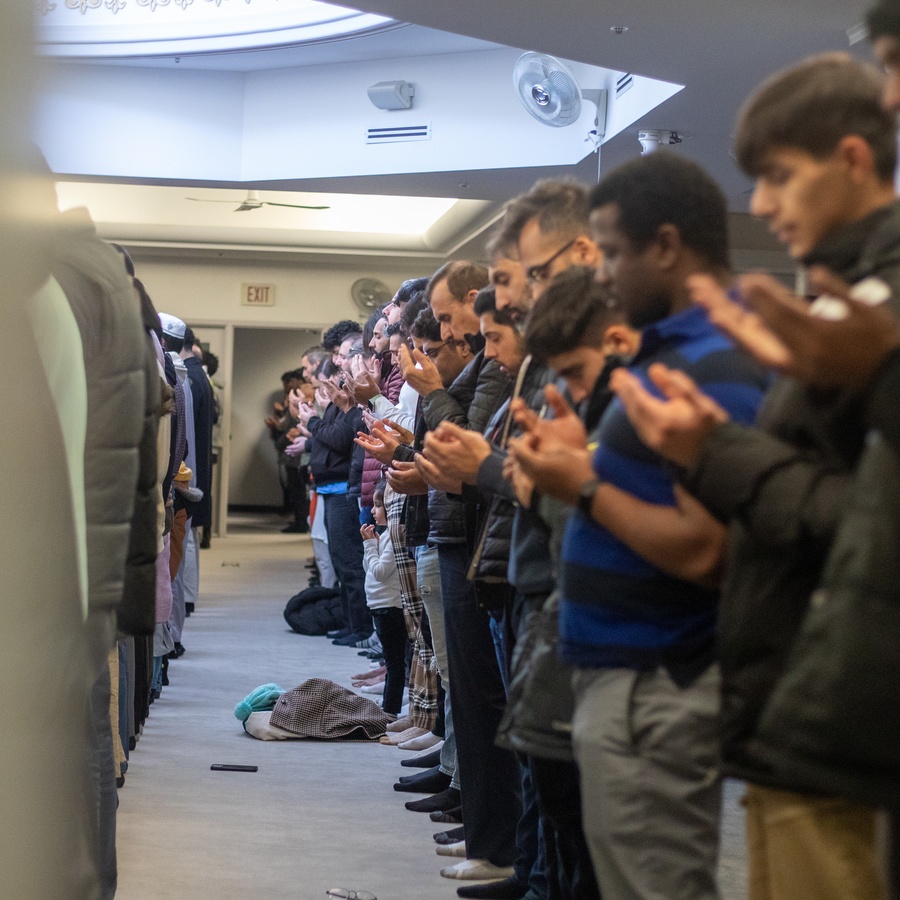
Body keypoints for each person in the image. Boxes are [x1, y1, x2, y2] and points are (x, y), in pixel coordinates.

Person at [609, 53, 898, 900]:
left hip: (842, 713)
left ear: (851, 160)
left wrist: (712, 453)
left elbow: (863, 517)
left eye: (777, 177)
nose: (762, 206)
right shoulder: (850, 297)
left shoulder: (877, 305)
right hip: (800, 705)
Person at [509, 152, 768, 900]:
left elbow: (704, 547)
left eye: (615, 254)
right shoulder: (674, 353)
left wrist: (582, 483)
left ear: (666, 246)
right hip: (627, 677)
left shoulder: (717, 361)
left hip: (659, 678)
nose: (605, 275)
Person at [360, 480, 407, 718]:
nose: (372, 510)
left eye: (378, 505)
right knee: (393, 660)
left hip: (390, 607)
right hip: (381, 606)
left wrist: (370, 546)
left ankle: (390, 710)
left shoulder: (392, 536)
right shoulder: (386, 535)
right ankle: (390, 706)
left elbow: (379, 572)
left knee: (394, 663)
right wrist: (373, 547)